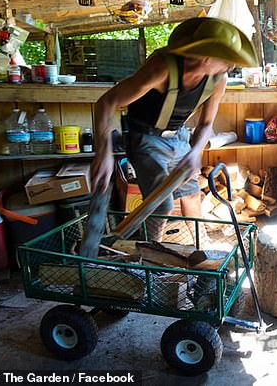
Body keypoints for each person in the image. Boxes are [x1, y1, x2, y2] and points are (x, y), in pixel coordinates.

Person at [90, 17, 259, 243]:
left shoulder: (218, 79)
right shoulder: (162, 68)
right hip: (146, 139)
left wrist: (195, 151)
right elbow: (107, 102)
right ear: (207, 57)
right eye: (227, 60)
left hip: (179, 137)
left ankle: (204, 250)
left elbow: (206, 123)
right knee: (162, 203)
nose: (231, 66)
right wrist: (103, 154)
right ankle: (149, 255)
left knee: (191, 195)